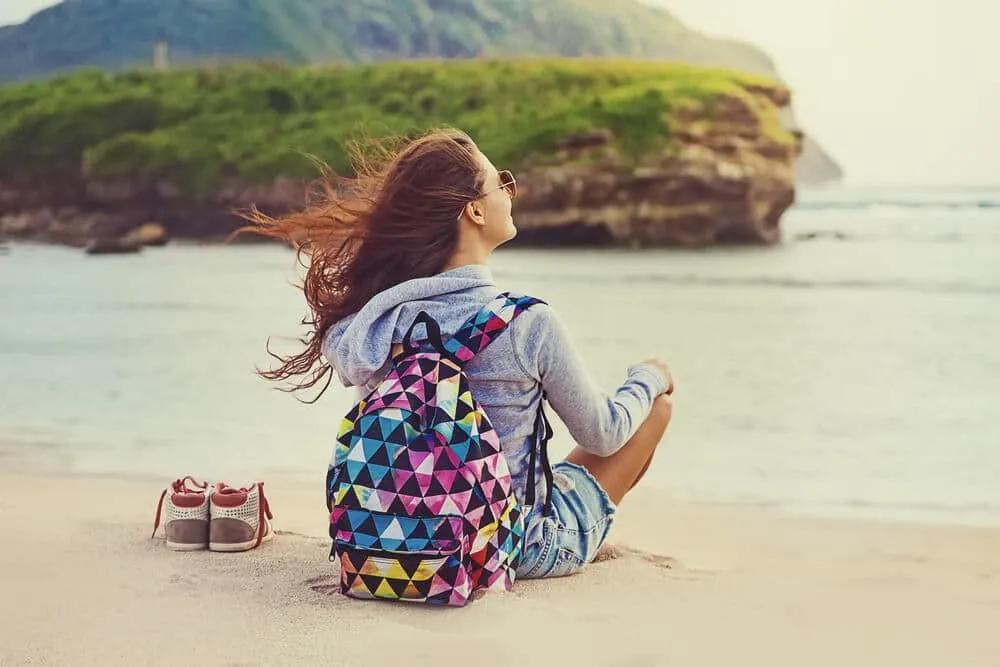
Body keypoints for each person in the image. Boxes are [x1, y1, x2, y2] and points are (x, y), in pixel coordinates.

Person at [232, 127, 674, 580]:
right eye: (499, 181)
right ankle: (586, 533)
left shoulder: (379, 322)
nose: (510, 190)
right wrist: (649, 377)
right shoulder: (527, 323)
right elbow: (603, 433)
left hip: (391, 540)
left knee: (561, 471)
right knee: (655, 409)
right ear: (475, 211)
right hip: (505, 548)